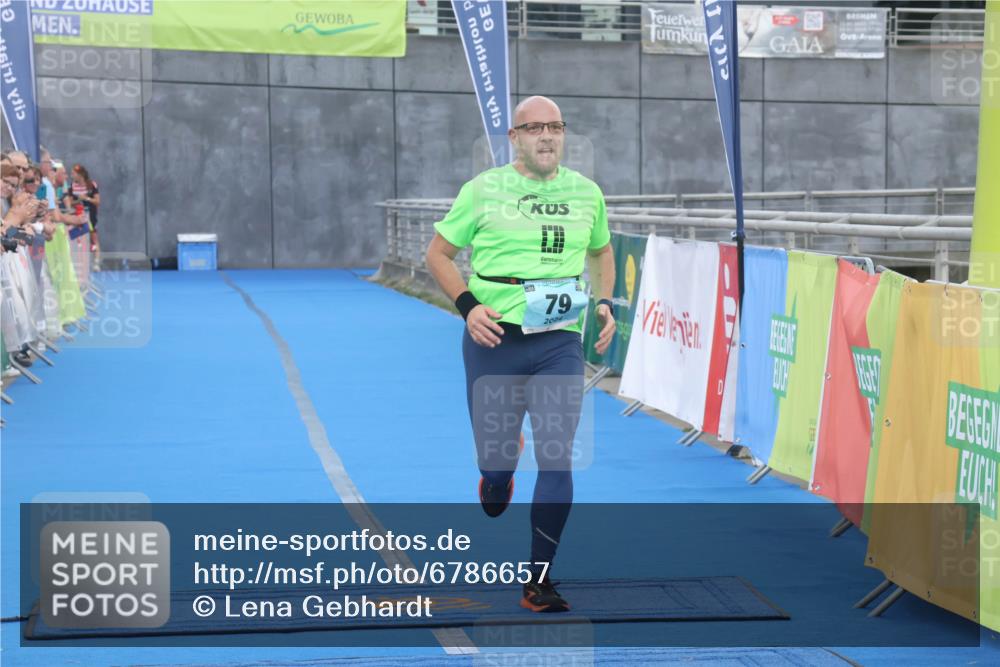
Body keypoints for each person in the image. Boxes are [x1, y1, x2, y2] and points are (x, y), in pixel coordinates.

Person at [425, 96, 616, 613]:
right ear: (514, 137)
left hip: (559, 341)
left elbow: (600, 250)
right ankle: (497, 474)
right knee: (496, 457)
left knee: (557, 455)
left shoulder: (586, 193)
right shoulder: (483, 190)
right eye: (535, 129)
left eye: (555, 127)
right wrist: (468, 307)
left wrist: (602, 303)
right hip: (495, 339)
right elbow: (437, 254)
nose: (547, 137)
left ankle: (539, 581)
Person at [70, 163, 100, 252]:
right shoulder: (73, 186)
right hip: (78, 217)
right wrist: (78, 200)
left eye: (73, 174)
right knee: (78, 240)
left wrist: (86, 198)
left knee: (94, 239)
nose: (72, 176)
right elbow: (70, 203)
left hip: (91, 216)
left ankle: (96, 262)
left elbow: (97, 201)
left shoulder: (91, 185)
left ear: (80, 174)